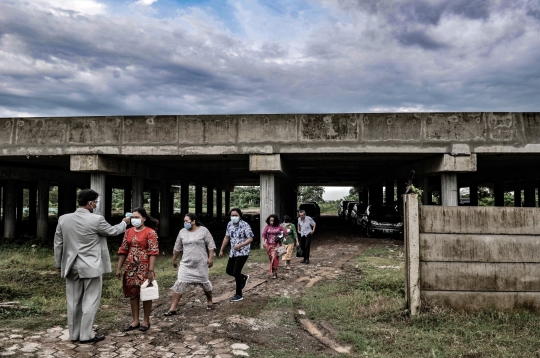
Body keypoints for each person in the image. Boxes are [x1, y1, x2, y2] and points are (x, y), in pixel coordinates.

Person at [54, 189, 130, 344]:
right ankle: (86, 335)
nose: (96, 205)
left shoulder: (63, 219)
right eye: (95, 202)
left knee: (73, 301)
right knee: (90, 301)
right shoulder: (96, 219)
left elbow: (58, 243)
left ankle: (74, 334)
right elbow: (113, 231)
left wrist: (58, 264)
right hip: (91, 266)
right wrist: (124, 223)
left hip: (70, 265)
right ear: (90, 203)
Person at [116, 207, 159, 332]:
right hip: (130, 268)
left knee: (146, 294)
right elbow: (123, 250)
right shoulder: (128, 232)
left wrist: (150, 271)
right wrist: (119, 267)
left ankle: (146, 320)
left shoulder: (150, 232)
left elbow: (153, 252)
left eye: (137, 217)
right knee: (132, 294)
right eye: (133, 217)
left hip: (144, 268)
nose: (134, 219)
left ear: (144, 219)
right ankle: (135, 320)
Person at [165, 213, 216, 315]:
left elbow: (211, 245)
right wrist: (174, 259)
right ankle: (173, 308)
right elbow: (177, 247)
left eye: (187, 221)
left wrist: (210, 258)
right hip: (186, 263)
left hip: (201, 263)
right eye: (184, 221)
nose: (185, 223)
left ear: (193, 221)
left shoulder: (203, 230)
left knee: (204, 283)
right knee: (181, 282)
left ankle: (209, 301)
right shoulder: (182, 232)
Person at [218, 208, 254, 302]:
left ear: (240, 216)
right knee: (229, 270)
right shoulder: (229, 224)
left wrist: (241, 245)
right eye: (232, 215)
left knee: (236, 272)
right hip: (233, 252)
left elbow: (250, 238)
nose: (234, 217)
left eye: (236, 215)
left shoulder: (245, 225)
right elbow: (226, 237)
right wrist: (221, 250)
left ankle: (239, 294)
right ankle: (243, 277)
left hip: (243, 251)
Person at [262, 214, 287, 278]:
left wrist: (280, 237)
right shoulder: (267, 226)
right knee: (271, 258)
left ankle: (274, 272)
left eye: (273, 221)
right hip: (268, 245)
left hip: (276, 245)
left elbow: (285, 232)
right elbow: (264, 234)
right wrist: (263, 242)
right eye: (270, 220)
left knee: (275, 258)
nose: (271, 222)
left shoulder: (279, 226)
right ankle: (273, 271)